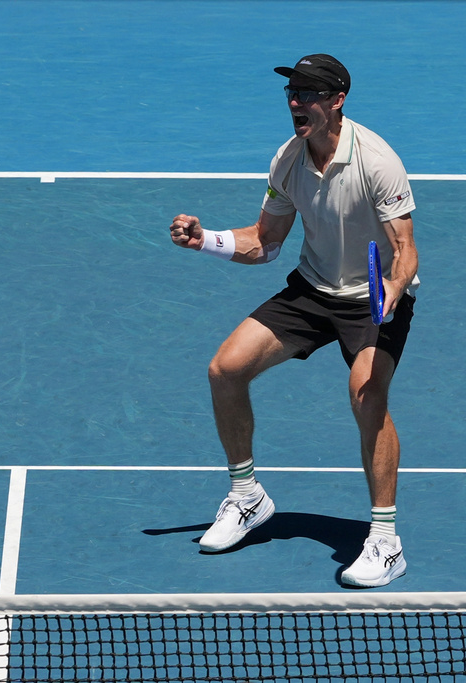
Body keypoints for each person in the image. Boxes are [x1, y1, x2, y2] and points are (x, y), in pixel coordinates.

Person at [169, 54, 418, 588]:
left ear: (337, 101)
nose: (295, 101)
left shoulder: (378, 162)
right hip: (314, 288)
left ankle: (385, 540)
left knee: (365, 393)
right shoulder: (288, 159)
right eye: (292, 92)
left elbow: (405, 251)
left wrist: (392, 290)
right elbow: (265, 242)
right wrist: (205, 240)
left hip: (372, 299)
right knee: (225, 369)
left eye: (307, 92)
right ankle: (247, 496)